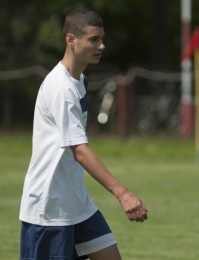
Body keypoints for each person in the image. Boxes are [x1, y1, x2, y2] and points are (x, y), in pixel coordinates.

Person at [19, 8, 148, 260]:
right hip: (50, 207)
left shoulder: (79, 80)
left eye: (101, 38)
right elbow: (79, 151)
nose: (101, 45)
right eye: (93, 39)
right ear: (71, 40)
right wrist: (123, 194)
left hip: (76, 202)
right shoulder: (62, 89)